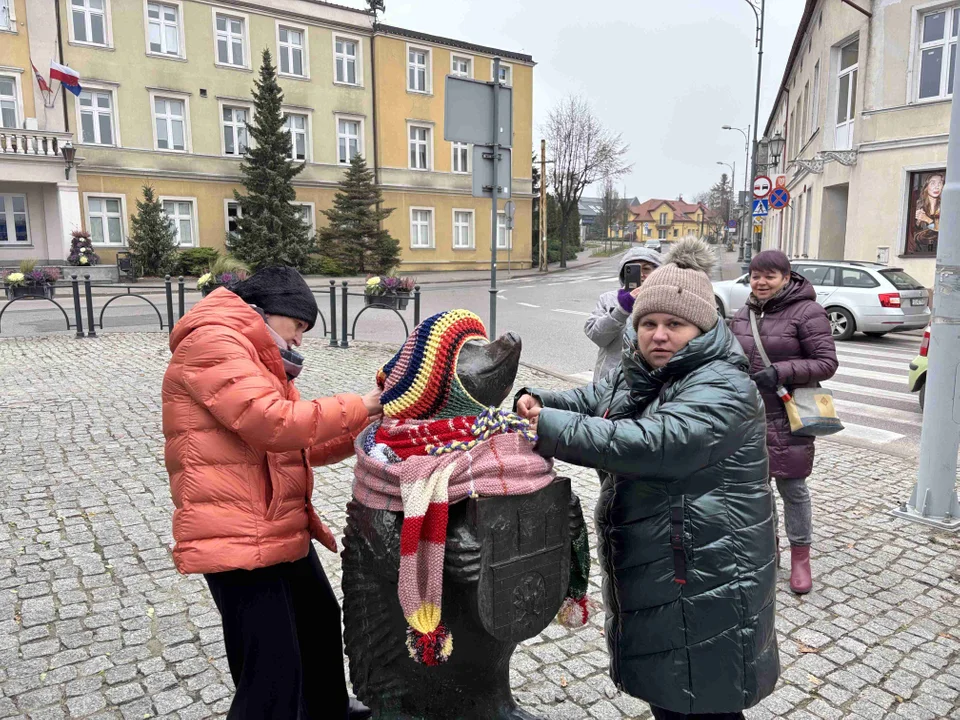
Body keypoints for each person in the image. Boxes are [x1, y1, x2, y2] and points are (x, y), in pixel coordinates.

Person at [517, 237, 779, 719]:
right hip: (668, 558)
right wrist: (541, 401)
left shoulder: (723, 384)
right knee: (675, 689)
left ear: (702, 329)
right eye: (649, 324)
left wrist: (547, 430)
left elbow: (655, 440)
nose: (659, 335)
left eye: (674, 324)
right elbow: (596, 399)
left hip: (708, 567)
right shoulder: (644, 371)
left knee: (703, 694)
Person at [162, 266, 381, 719]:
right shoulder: (213, 342)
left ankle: (327, 709)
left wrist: (371, 423)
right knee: (270, 671)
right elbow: (273, 422)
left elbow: (303, 441)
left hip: (275, 522)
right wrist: (363, 404)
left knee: (318, 620)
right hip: (235, 532)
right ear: (265, 311)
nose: (299, 340)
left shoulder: (257, 356)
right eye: (297, 326)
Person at [730, 250, 838, 595]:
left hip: (789, 412)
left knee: (792, 487)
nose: (760, 283)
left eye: (769, 276)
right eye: (755, 276)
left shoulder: (808, 312)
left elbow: (826, 363)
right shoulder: (742, 314)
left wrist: (783, 370)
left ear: (787, 277)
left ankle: (801, 557)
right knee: (756, 488)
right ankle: (768, 550)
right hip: (749, 416)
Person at [584, 247, 663, 382]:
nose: (641, 275)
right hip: (610, 380)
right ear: (625, 273)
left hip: (650, 381)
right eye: (634, 269)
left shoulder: (666, 301)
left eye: (646, 269)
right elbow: (598, 337)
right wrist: (621, 310)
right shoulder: (609, 299)